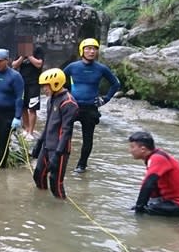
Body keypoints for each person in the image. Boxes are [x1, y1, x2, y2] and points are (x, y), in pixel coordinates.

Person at [62, 38, 121, 173]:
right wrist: (65, 96)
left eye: (94, 49)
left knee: (87, 138)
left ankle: (82, 165)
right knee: (65, 135)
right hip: (73, 106)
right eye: (88, 48)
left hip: (90, 108)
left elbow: (115, 84)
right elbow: (59, 80)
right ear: (82, 50)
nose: (91, 51)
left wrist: (105, 99)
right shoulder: (72, 67)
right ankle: (62, 160)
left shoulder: (101, 68)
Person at [31, 68, 78, 199]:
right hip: (47, 145)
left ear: (56, 83)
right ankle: (41, 201)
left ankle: (60, 208)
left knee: (55, 183)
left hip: (59, 149)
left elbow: (66, 131)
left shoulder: (69, 102)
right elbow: (48, 124)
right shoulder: (51, 99)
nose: (44, 89)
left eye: (46, 86)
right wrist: (39, 144)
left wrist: (57, 155)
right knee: (38, 175)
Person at [127, 131, 179, 217]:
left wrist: (139, 208)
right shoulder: (156, 156)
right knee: (136, 208)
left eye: (132, 147)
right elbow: (153, 186)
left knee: (135, 213)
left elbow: (148, 184)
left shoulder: (157, 159)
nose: (130, 150)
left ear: (143, 149)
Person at [12, 45, 45, 139]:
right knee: (23, 107)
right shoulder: (21, 50)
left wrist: (29, 55)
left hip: (34, 83)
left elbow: (39, 64)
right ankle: (26, 129)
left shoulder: (38, 49)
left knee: (32, 108)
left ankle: (31, 131)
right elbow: (14, 65)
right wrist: (22, 56)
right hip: (22, 82)